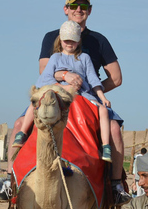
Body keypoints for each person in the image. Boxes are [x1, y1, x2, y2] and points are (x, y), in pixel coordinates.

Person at [0, 0, 129, 204]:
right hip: (54, 94)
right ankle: (10, 180)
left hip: (86, 96)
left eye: (83, 7)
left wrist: (93, 91)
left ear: (89, 11)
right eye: (74, 6)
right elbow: (43, 69)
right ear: (65, 9)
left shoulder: (98, 40)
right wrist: (64, 75)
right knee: (20, 123)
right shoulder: (51, 37)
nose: (78, 10)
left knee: (114, 129)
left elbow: (116, 77)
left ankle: (116, 186)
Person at [14, 20, 114, 161]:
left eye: (73, 41)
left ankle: (105, 146)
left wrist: (102, 97)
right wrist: (63, 87)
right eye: (66, 40)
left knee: (103, 110)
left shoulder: (84, 58)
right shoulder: (55, 57)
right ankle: (22, 133)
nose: (69, 44)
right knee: (35, 102)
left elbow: (93, 79)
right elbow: (44, 78)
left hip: (81, 93)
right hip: (56, 92)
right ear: (60, 40)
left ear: (78, 41)